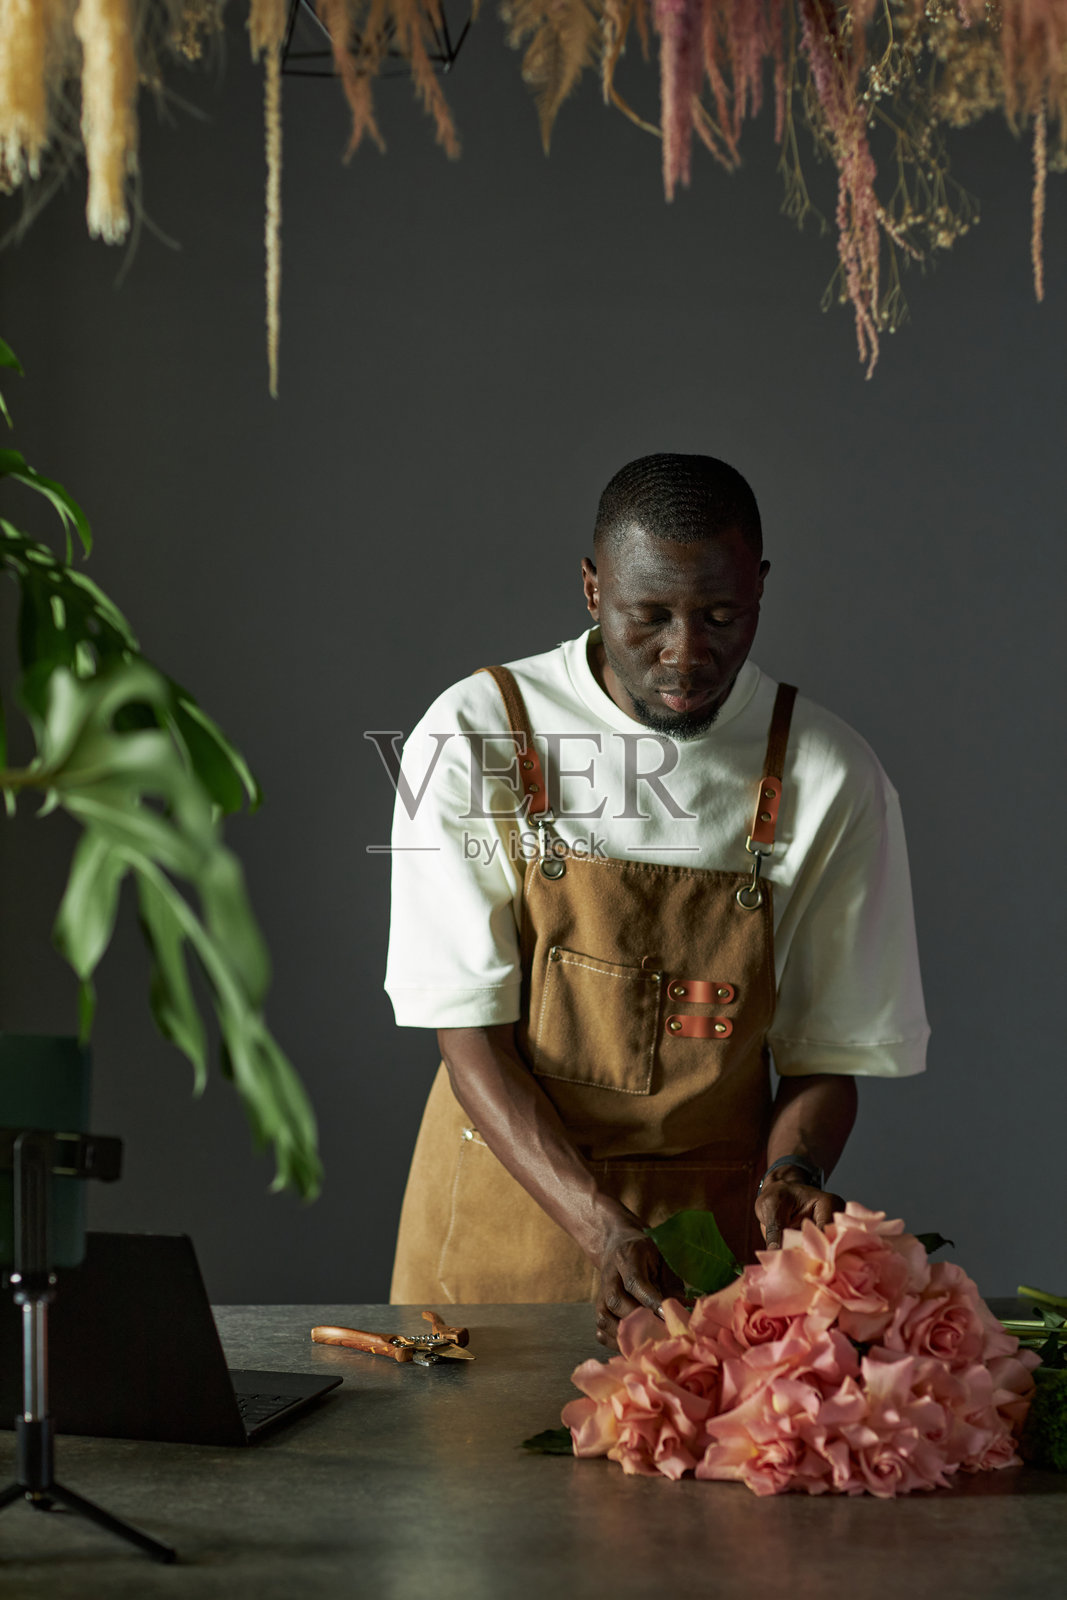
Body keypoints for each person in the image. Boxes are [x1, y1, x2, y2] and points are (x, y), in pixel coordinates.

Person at [384, 454, 928, 1347]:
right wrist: (601, 1227)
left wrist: (793, 1166)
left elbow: (830, 1049)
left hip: (708, 1244)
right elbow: (466, 1032)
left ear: (759, 587)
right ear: (592, 586)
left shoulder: (827, 772)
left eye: (720, 616)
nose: (686, 653)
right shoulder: (475, 732)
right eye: (649, 617)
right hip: (498, 1218)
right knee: (474, 1474)